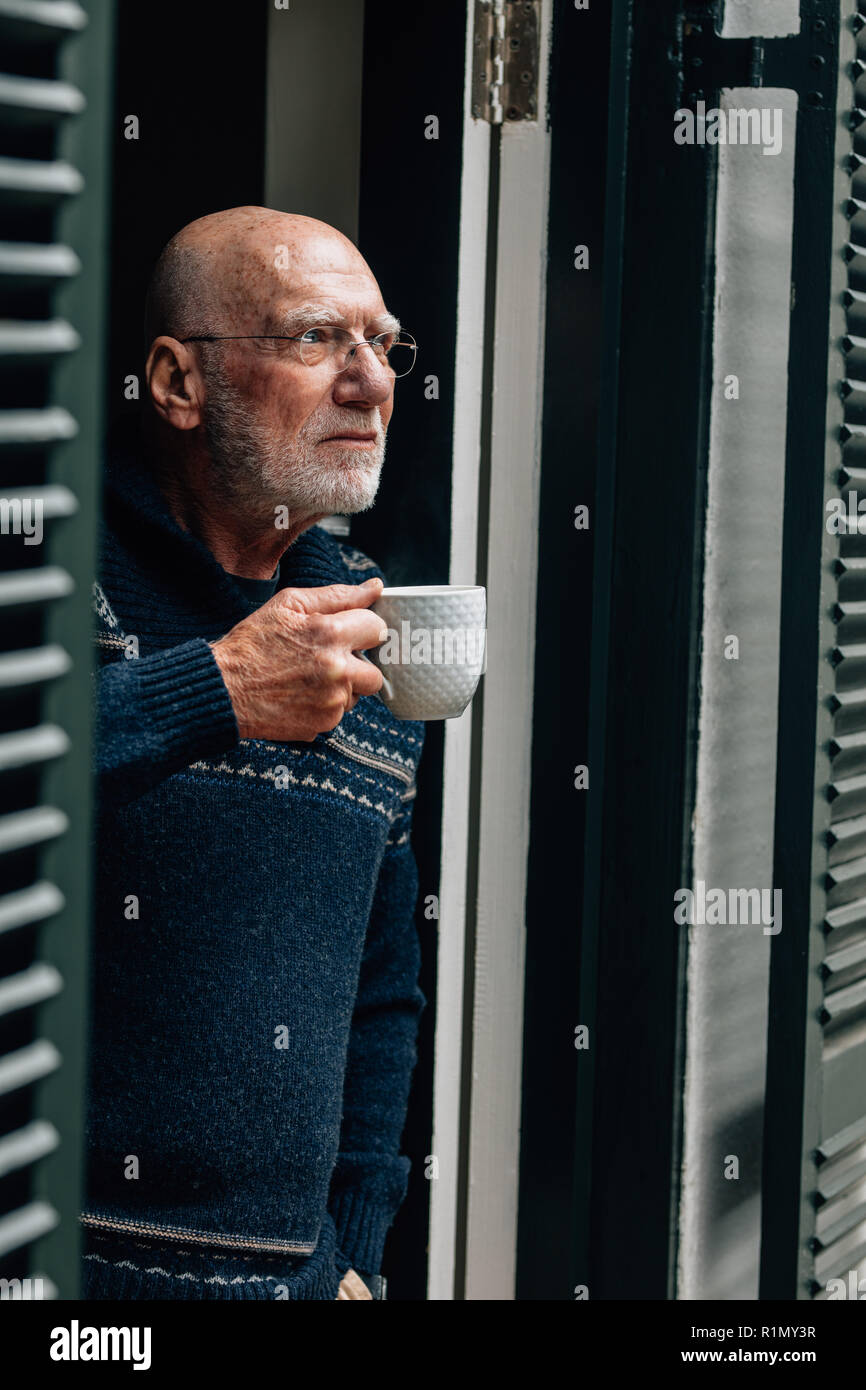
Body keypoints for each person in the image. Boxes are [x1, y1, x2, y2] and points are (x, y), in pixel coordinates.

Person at [82, 207, 426, 1301]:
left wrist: (358, 1252)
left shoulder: (363, 623)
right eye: (319, 337)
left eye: (385, 344)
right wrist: (210, 691)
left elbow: (380, 986)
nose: (370, 381)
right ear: (178, 383)